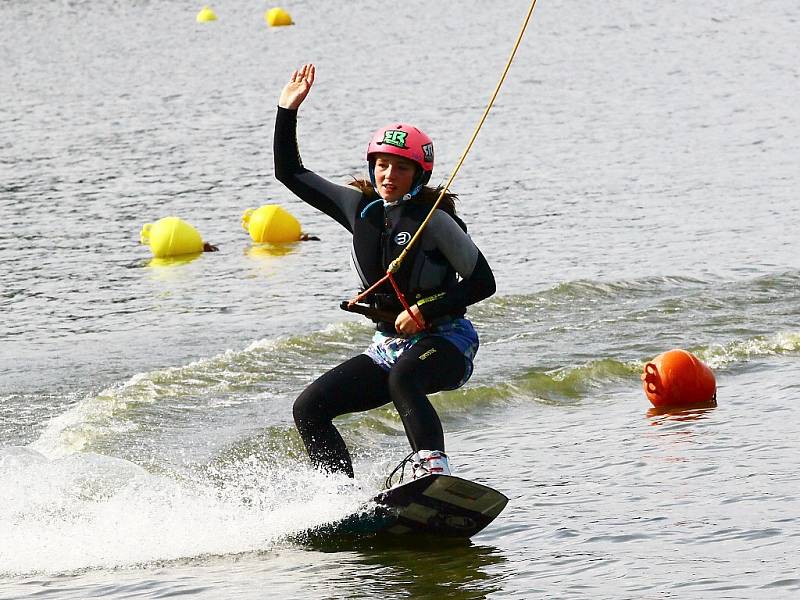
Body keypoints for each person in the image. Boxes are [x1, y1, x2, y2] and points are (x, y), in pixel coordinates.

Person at [275, 64, 496, 481]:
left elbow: (484, 283)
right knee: (309, 407)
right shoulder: (358, 210)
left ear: (419, 174)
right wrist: (287, 110)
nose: (388, 176)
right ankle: (337, 494)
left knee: (404, 378)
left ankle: (434, 472)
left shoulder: (435, 221)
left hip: (446, 342)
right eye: (381, 165)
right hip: (388, 347)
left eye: (400, 168)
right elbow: (290, 173)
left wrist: (424, 313)